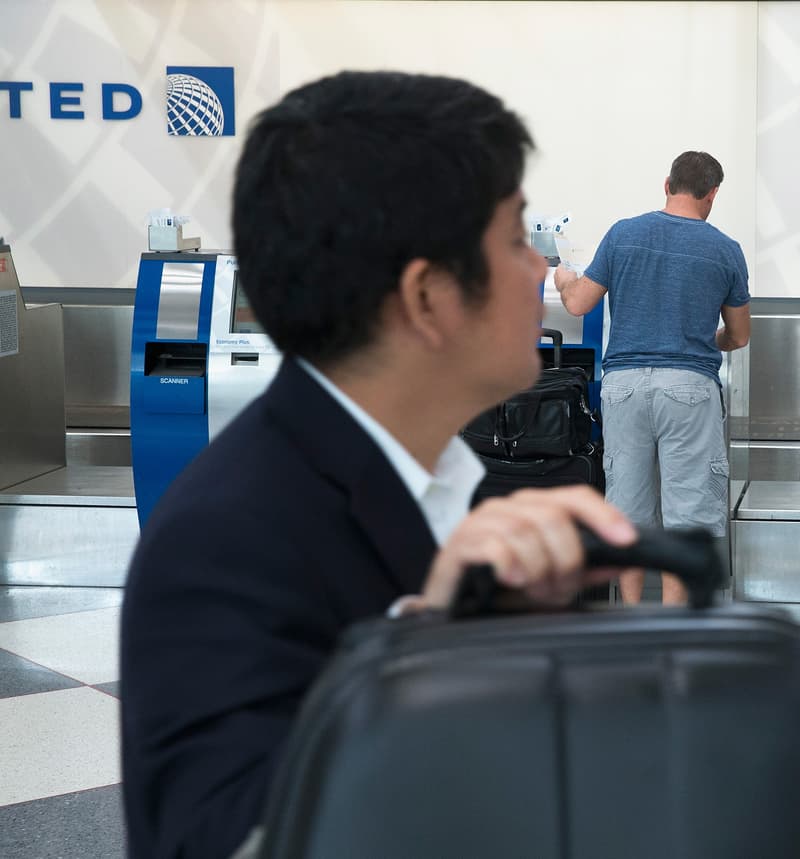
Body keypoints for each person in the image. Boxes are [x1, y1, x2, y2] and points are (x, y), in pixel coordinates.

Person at [119, 71, 637, 859]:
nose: (541, 269)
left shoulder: (442, 484)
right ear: (426, 297)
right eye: (515, 240)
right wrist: (424, 646)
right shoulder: (224, 540)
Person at [552, 151, 750, 605]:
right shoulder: (725, 249)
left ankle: (630, 618)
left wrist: (564, 280)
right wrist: (706, 339)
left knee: (627, 510)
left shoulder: (623, 234)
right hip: (689, 388)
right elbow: (739, 336)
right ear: (712, 194)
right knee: (687, 515)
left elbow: (578, 304)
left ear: (667, 184)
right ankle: (674, 625)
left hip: (623, 387)